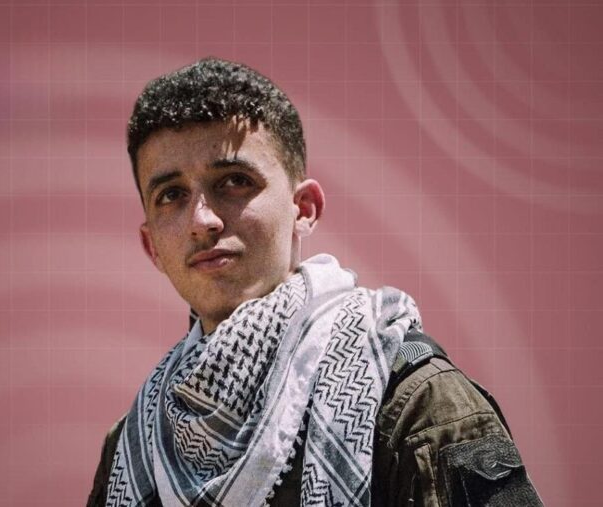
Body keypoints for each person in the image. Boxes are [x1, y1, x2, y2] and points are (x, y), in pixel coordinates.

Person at [87, 57, 542, 506]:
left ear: (304, 209)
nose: (202, 220)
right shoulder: (134, 445)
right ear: (152, 246)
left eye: (234, 181)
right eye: (171, 195)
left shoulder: (416, 403)